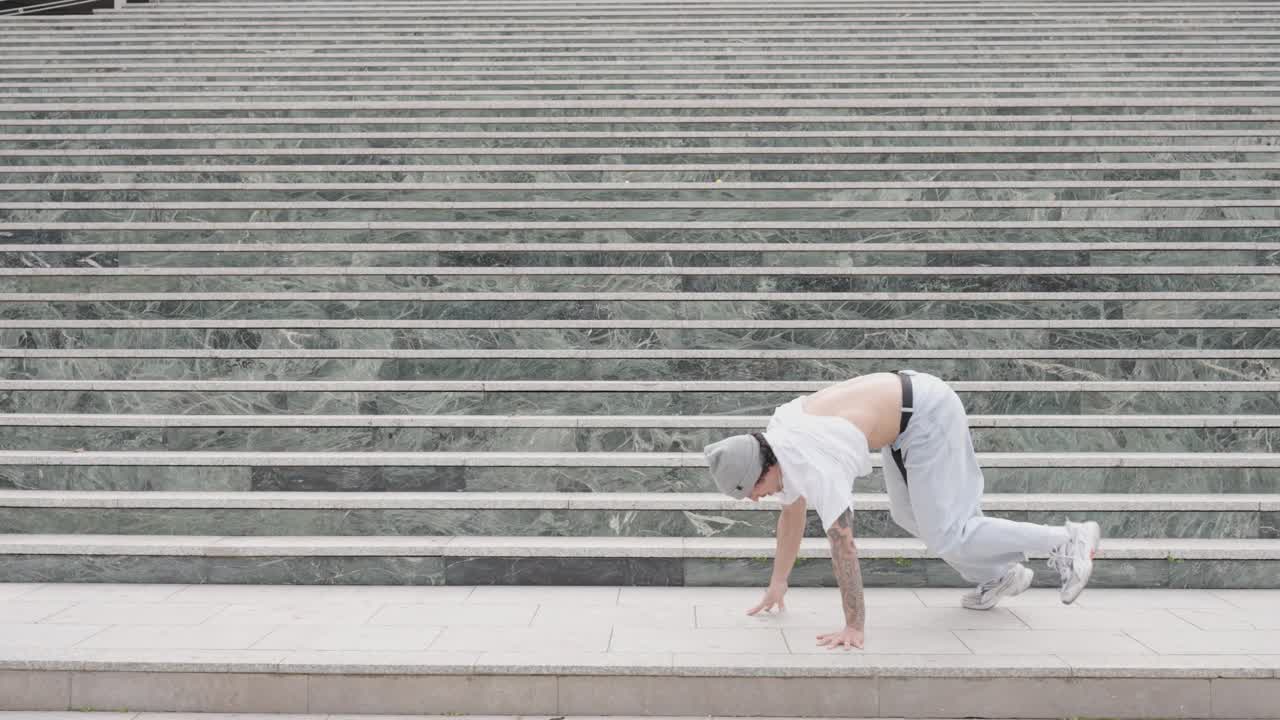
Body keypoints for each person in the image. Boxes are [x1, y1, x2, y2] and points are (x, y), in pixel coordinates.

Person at [702, 370, 1101, 651]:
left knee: (950, 532)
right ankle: (999, 575)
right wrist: (778, 582)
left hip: (927, 412)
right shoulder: (779, 436)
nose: (755, 499)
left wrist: (854, 626)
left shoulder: (814, 460)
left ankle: (1067, 540)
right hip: (903, 421)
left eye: (752, 491)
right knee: (909, 516)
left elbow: (844, 545)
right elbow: (791, 514)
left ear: (765, 469)